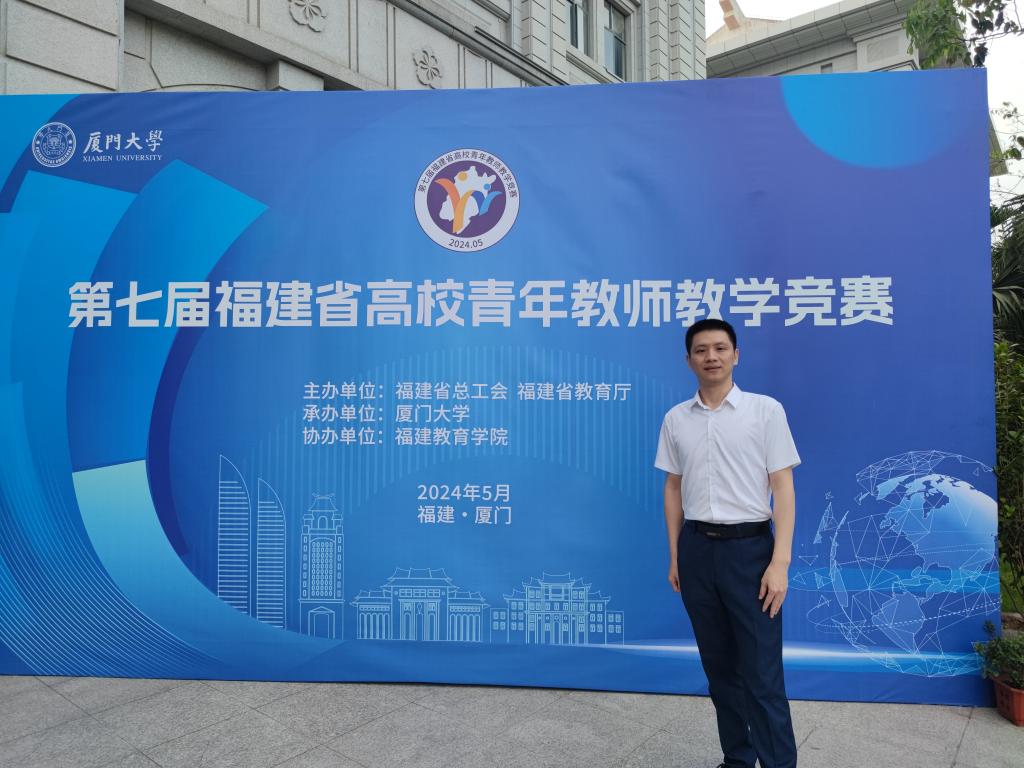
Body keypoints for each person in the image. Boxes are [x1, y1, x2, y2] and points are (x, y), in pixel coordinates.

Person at [655, 318, 799, 768]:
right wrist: (676, 556)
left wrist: (780, 562)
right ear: (689, 360)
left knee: (762, 675)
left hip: (750, 553)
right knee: (719, 670)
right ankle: (737, 759)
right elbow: (673, 487)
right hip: (697, 551)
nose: (711, 357)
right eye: (701, 350)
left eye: (720, 348)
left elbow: (783, 486)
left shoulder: (765, 411)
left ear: (736, 355)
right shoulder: (676, 419)